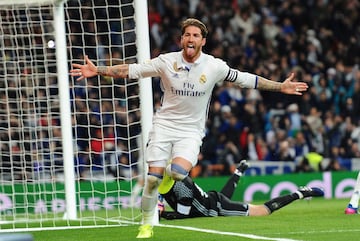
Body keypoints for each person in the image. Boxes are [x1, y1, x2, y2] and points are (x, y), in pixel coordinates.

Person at [70, 18, 309, 238]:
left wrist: (280, 87)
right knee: (152, 180)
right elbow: (131, 70)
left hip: (191, 131)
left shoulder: (214, 66)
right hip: (164, 125)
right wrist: (98, 70)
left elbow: (247, 79)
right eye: (187, 35)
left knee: (177, 173)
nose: (191, 39)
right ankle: (146, 223)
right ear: (181, 39)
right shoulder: (166, 61)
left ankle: (164, 182)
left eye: (196, 35)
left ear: (203, 41)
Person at [157, 160, 324, 220]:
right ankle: (238, 172)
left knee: (262, 211)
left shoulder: (182, 186)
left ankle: (300, 193)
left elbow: (183, 216)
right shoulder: (164, 180)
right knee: (223, 197)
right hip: (212, 201)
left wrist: (161, 215)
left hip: (214, 208)